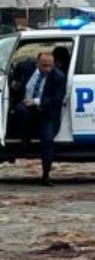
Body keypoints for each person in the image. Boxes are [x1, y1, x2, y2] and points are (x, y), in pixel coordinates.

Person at [15, 53, 68, 186]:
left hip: (46, 111)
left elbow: (56, 99)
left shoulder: (58, 77)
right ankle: (23, 143)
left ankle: (46, 174)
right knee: (20, 111)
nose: (47, 69)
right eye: (44, 66)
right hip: (26, 107)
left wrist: (35, 102)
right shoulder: (27, 68)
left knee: (47, 140)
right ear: (37, 64)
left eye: (51, 65)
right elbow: (16, 71)